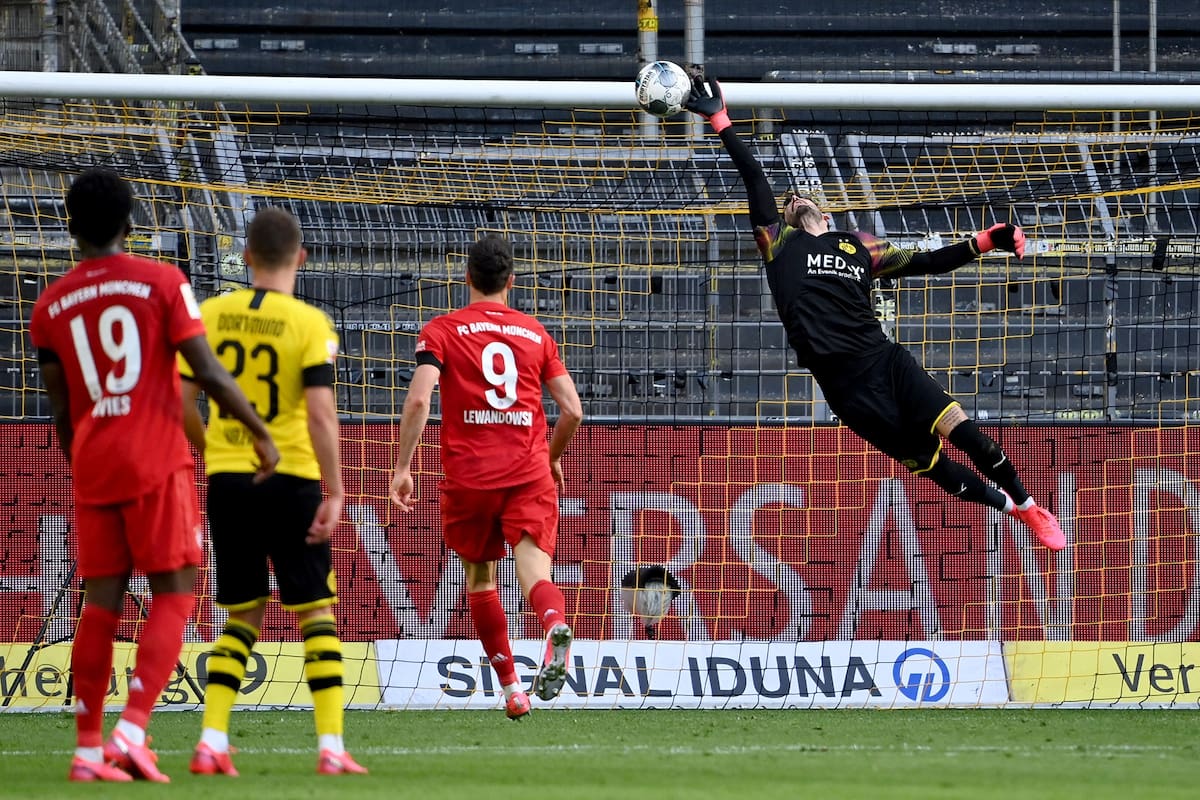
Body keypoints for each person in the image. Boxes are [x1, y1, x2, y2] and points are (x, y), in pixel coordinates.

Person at [683, 71, 1066, 552]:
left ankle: (1030, 507)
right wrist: (720, 119)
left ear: (825, 213)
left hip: (885, 361)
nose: (792, 199)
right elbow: (754, 177)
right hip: (847, 391)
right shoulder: (778, 243)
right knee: (937, 470)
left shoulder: (860, 246)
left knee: (969, 436)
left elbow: (927, 263)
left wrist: (986, 241)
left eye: (800, 197)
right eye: (787, 202)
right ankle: (1012, 510)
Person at [29, 168, 280, 784]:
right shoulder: (164, 282)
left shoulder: (48, 305)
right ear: (130, 223)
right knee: (175, 592)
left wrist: (84, 465)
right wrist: (257, 431)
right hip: (155, 457)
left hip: (94, 463)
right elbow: (209, 373)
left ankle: (88, 751)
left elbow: (60, 410)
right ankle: (133, 731)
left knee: (99, 606)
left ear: (69, 227)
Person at [179, 207, 367, 775]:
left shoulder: (210, 314)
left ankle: (212, 740)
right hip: (293, 480)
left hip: (229, 480)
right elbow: (321, 414)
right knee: (316, 614)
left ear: (247, 258)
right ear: (301, 258)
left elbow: (181, 400)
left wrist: (214, 450)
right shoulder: (310, 323)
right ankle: (331, 748)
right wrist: (336, 490)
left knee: (241, 615)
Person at [389, 234, 584, 718]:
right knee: (535, 571)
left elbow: (419, 399)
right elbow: (573, 411)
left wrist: (403, 465)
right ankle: (553, 623)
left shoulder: (442, 331)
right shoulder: (536, 334)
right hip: (528, 472)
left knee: (480, 579)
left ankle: (512, 689)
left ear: (467, 278)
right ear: (511, 282)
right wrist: (551, 457)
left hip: (470, 477)